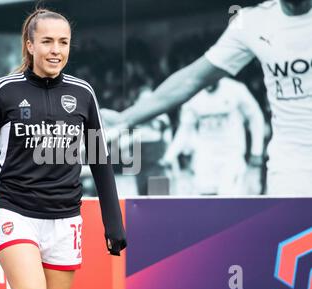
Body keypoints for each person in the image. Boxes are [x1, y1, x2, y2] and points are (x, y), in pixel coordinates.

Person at [0, 8, 126, 289]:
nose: (56, 50)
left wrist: (113, 224)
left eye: (63, 42)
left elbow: (100, 161)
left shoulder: (84, 93)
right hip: (16, 211)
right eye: (47, 41)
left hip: (66, 220)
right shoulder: (4, 90)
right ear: (30, 45)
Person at [103, 0, 312, 196]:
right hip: (289, 167)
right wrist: (126, 118)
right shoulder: (252, 23)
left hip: (232, 160)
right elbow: (192, 79)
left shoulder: (236, 91)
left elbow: (255, 118)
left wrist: (255, 154)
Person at [161, 77, 265, 195]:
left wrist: (257, 151)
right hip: (206, 156)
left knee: (228, 202)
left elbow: (255, 116)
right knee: (205, 201)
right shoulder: (194, 95)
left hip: (231, 155)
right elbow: (185, 129)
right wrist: (169, 156)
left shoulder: (235, 89)